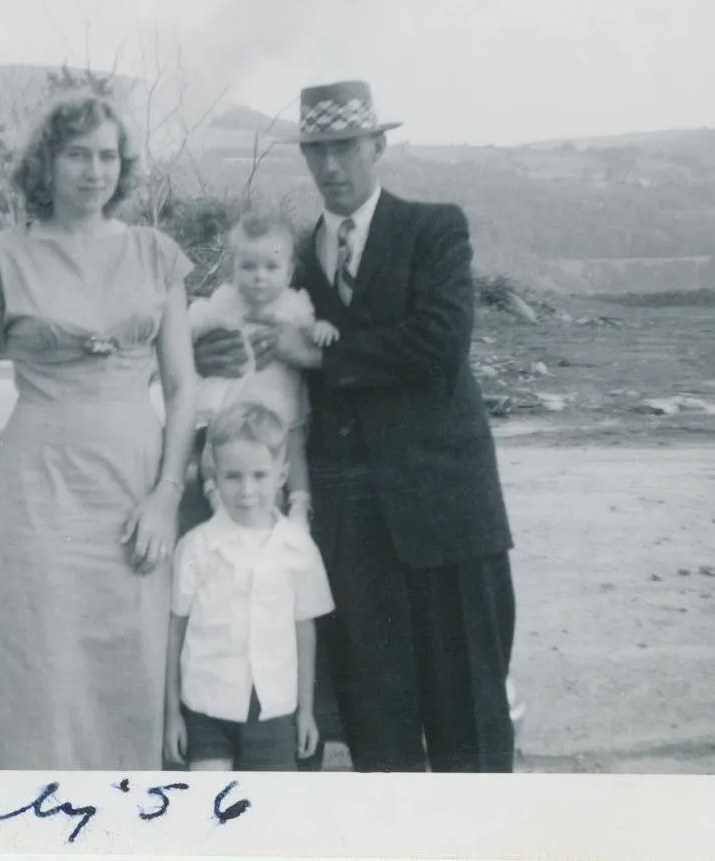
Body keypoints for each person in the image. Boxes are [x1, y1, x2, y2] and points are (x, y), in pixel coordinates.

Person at [193, 80, 516, 773]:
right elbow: (251, 346)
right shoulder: (295, 261)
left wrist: (320, 356)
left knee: (471, 729)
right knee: (379, 731)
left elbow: (440, 342)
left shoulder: (435, 229)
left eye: (345, 147)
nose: (331, 166)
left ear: (378, 146)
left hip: (447, 519)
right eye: (317, 151)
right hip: (354, 533)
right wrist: (211, 353)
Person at [0, 91, 197, 770]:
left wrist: (166, 497)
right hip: (40, 499)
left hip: (133, 494)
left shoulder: (156, 254)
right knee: (41, 683)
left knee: (133, 674)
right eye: (78, 155)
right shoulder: (0, 257)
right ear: (47, 163)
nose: (95, 172)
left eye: (108, 157)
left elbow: (182, 388)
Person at [164, 401, 335, 771]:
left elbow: (305, 634)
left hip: (273, 710)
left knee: (267, 818)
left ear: (282, 475)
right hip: (206, 706)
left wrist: (305, 711)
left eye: (259, 475)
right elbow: (175, 630)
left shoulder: (298, 548)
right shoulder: (196, 546)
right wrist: (172, 715)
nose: (246, 491)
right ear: (214, 477)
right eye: (233, 476)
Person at [186, 209, 338, 526]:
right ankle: (214, 492)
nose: (259, 277)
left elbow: (309, 327)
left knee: (292, 445)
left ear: (288, 272)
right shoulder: (225, 301)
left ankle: (299, 503)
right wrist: (188, 344)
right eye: (248, 267)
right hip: (236, 396)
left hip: (280, 396)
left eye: (271, 267)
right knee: (218, 439)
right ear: (233, 270)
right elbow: (194, 322)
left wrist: (319, 330)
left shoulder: (293, 303)